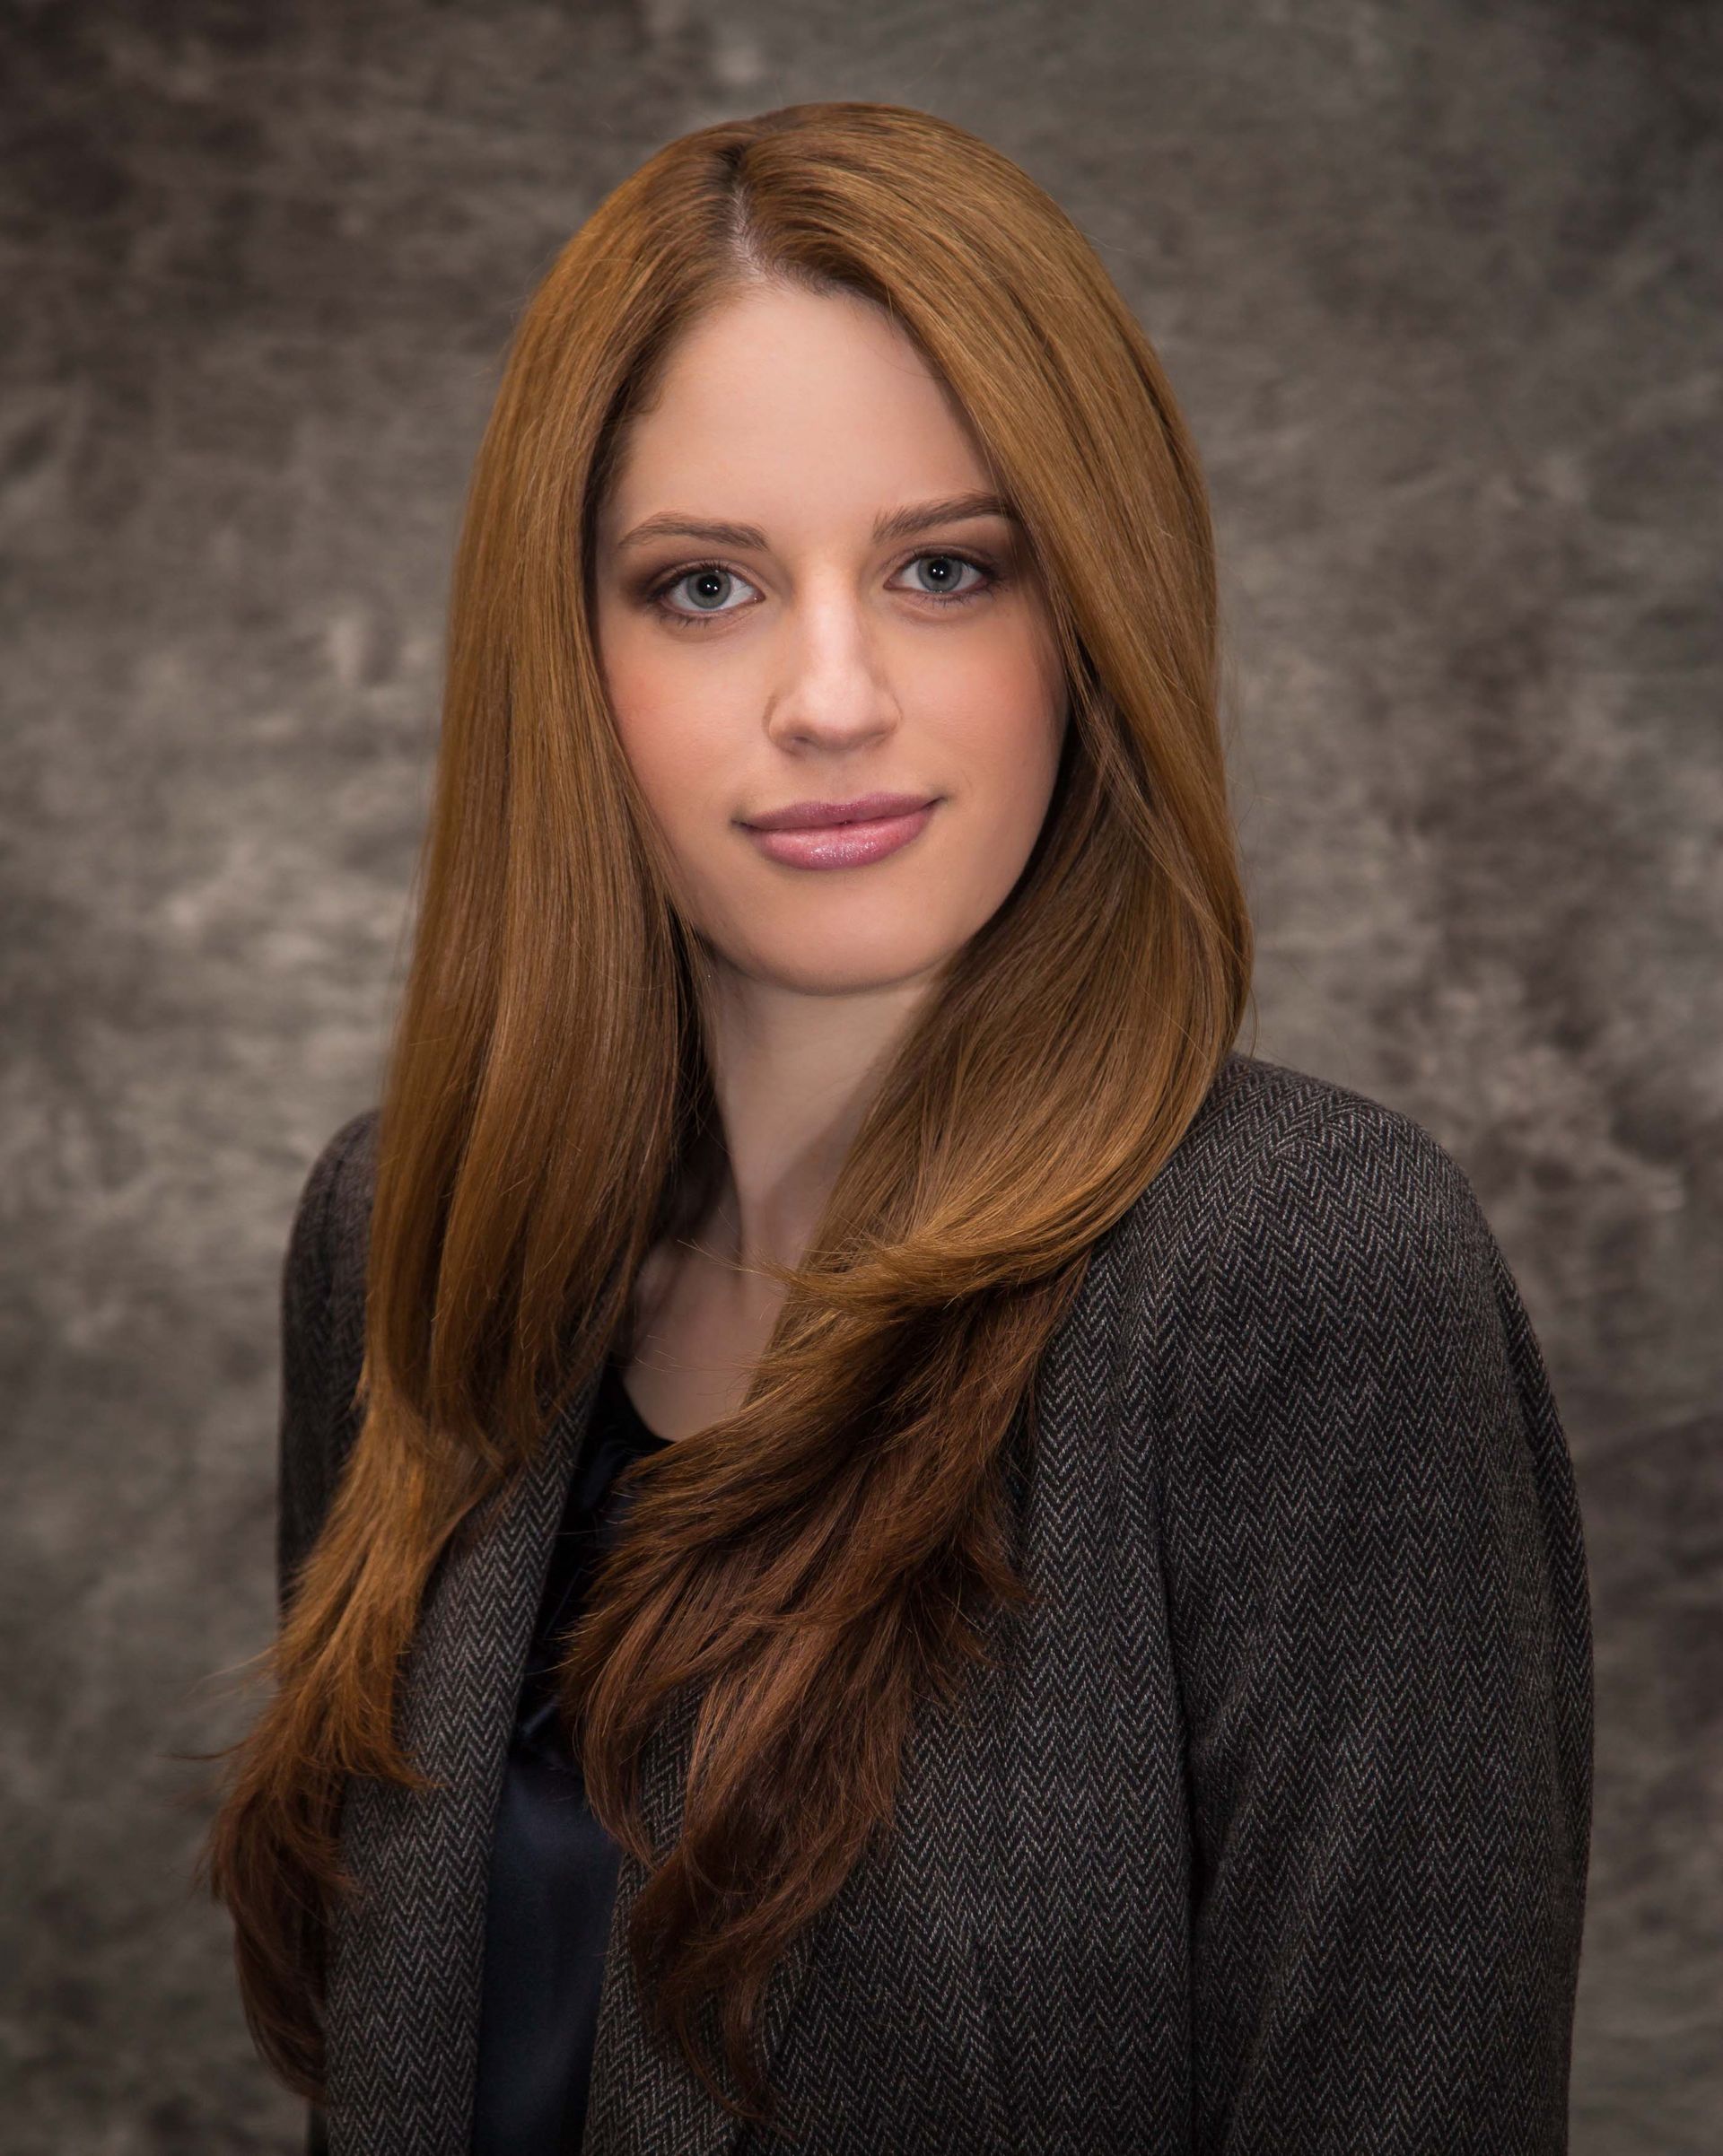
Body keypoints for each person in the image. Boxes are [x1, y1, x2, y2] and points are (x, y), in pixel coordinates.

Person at [199, 100, 1593, 2154]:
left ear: (1090, 612)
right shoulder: (408, 1223)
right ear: (563, 651)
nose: (832, 695)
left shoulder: (1306, 1274)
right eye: (704, 586)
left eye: (946, 569)